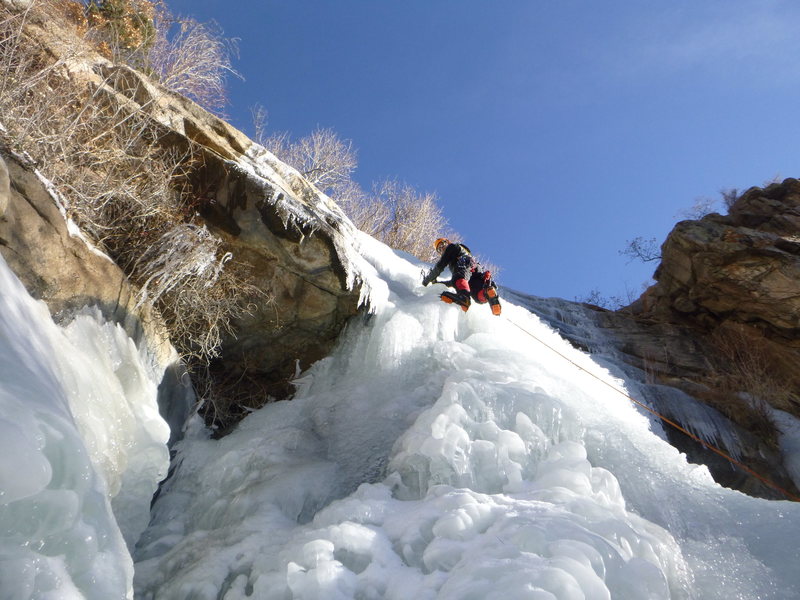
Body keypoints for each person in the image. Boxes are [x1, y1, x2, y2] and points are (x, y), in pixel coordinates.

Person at [422, 238, 502, 315]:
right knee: (477, 296)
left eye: (442, 244)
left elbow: (440, 266)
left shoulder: (451, 247)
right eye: (439, 249)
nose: (442, 248)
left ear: (447, 242)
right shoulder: (459, 254)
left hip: (465, 264)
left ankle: (464, 298)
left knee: (457, 278)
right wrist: (439, 283)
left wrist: (426, 280)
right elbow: (456, 282)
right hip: (474, 273)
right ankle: (487, 293)